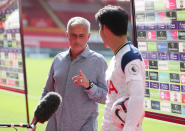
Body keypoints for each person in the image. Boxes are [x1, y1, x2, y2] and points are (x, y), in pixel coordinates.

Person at [32, 17, 108, 131]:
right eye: (73, 35)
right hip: (54, 126)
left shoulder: (99, 61)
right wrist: (35, 121)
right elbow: (47, 91)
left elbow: (107, 98)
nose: (77, 40)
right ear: (67, 35)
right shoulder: (58, 59)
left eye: (81, 36)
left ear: (88, 37)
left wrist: (89, 86)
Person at [95, 5, 145, 131]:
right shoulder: (117, 57)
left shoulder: (130, 57)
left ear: (105, 29)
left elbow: (137, 96)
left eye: (99, 27)